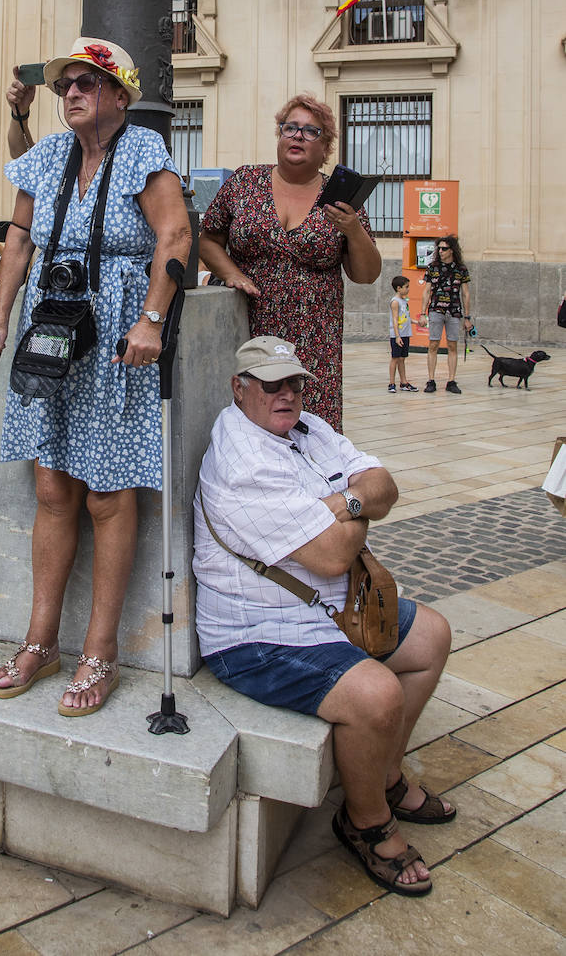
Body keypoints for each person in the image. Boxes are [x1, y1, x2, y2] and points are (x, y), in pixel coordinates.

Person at [194, 335, 454, 898]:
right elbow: (335, 555)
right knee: (377, 694)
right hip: (259, 636)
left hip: (329, 612)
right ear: (239, 388)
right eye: (271, 385)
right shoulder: (243, 460)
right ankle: (365, 823)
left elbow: (385, 487)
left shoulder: (307, 427)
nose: (287, 394)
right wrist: (355, 503)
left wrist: (342, 505)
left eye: (294, 382)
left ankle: (385, 775)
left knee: (432, 636)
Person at [0, 39, 192, 715]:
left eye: (87, 83)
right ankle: (40, 642)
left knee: (107, 493)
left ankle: (101, 652)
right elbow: (18, 240)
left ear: (120, 96)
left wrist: (151, 320)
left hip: (117, 332)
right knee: (51, 487)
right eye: (65, 84)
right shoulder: (46, 157)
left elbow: (175, 236)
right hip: (51, 324)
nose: (71, 92)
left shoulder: (144, 151)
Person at [198, 95, 381, 431]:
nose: (298, 136)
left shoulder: (340, 200)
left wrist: (353, 229)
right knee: (249, 420)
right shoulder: (245, 182)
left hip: (314, 339)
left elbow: (366, 274)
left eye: (311, 131)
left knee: (311, 428)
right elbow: (208, 239)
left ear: (325, 147)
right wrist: (231, 273)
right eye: (290, 128)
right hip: (247, 327)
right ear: (280, 135)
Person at [418, 236, 472, 394]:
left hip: (454, 311)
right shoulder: (433, 267)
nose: (440, 251)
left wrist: (467, 317)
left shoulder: (461, 269)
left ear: (452, 250)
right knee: (433, 344)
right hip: (436, 310)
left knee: (452, 346)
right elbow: (426, 291)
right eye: (439, 248)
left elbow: (466, 294)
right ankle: (431, 380)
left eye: (444, 248)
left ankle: (451, 380)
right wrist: (422, 313)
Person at [388, 275, 417, 393]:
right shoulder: (395, 302)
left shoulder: (404, 301)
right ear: (398, 288)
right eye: (406, 287)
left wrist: (417, 322)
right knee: (395, 358)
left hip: (405, 334)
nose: (408, 289)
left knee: (402, 358)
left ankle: (404, 382)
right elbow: (395, 319)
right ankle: (391, 383)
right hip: (398, 335)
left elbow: (406, 318)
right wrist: (397, 336)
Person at [6, 65, 37, 159]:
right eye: (65, 84)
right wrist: (20, 113)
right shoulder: (59, 146)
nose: (71, 94)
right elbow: (21, 156)